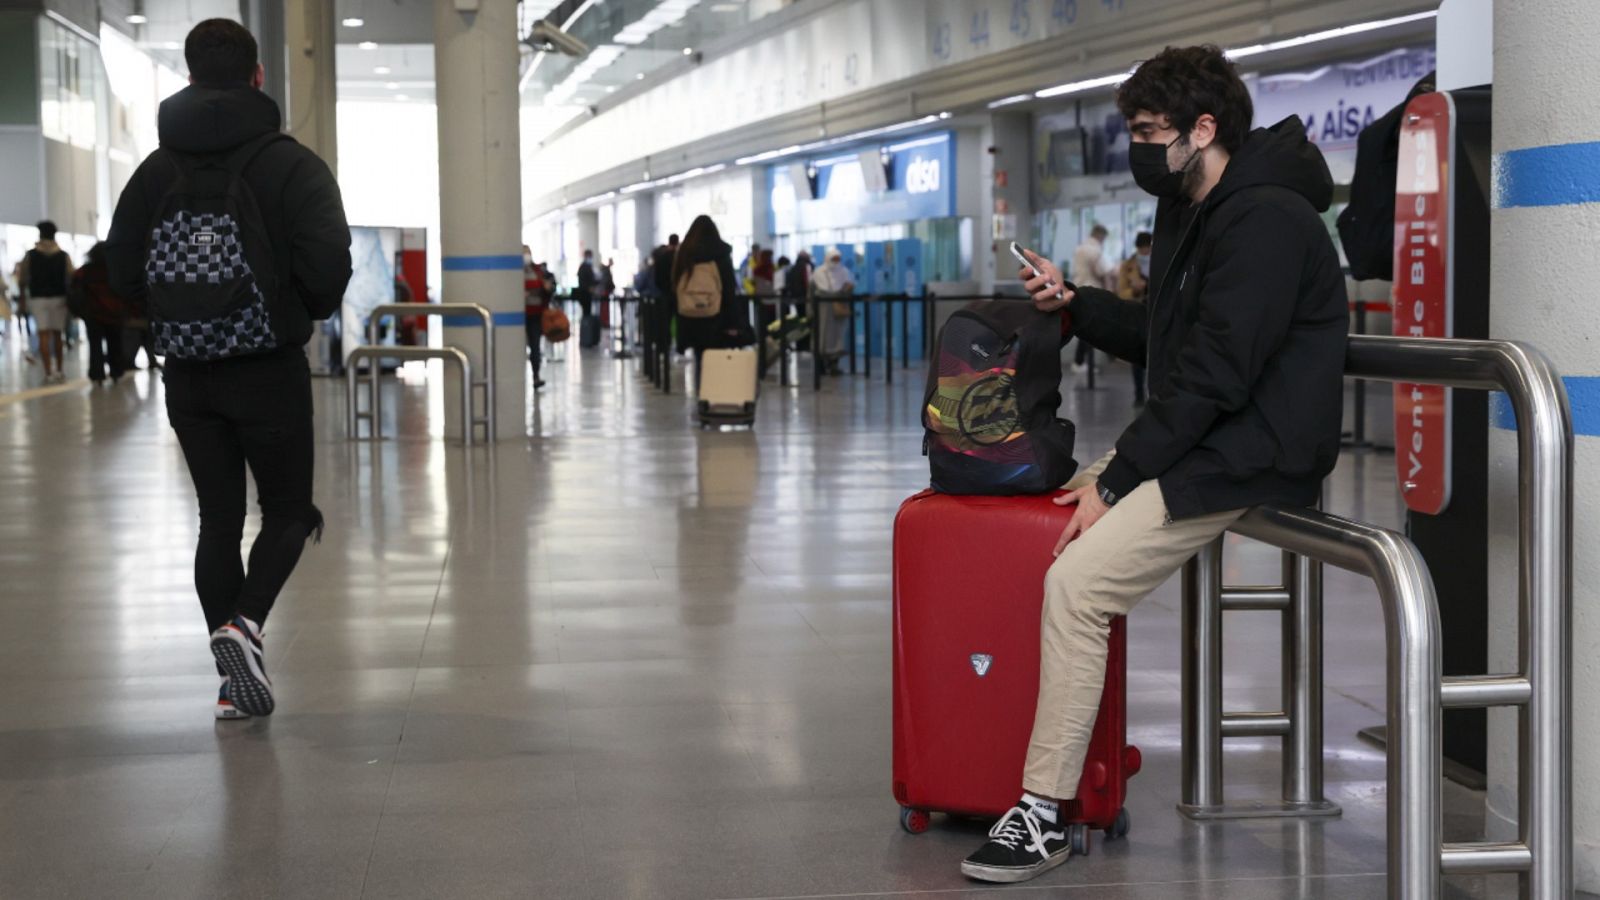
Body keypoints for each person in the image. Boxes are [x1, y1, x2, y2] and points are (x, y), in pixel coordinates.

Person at [963, 44, 1347, 883]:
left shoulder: (1269, 219)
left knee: (1078, 583)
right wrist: (1078, 306)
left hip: (1251, 454)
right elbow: (1166, 341)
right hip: (1205, 440)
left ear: (1203, 129)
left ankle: (1044, 813)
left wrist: (1116, 479)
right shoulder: (1191, 205)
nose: (1137, 146)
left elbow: (1216, 377)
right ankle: (1059, 757)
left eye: (1149, 130)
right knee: (1039, 513)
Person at [105, 18, 352, 721]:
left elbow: (119, 270)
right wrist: (294, 309)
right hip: (268, 363)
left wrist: (170, 313)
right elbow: (328, 262)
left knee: (218, 517)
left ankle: (230, 686)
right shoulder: (291, 163)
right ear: (258, 77)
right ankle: (243, 625)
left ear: (187, 78)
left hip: (187, 369)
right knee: (289, 510)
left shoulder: (155, 171)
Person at [672, 215, 742, 395]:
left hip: (690, 315)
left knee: (699, 355)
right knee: (716, 357)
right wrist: (733, 322)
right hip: (716, 314)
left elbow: (675, 284)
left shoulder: (684, 253)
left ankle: (701, 395)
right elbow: (728, 288)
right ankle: (714, 396)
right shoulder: (720, 254)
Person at [18, 221, 75, 384]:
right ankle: (60, 370)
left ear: (40, 234)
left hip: (37, 298)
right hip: (59, 297)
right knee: (58, 334)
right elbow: (71, 277)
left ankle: (48, 372)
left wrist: (22, 300)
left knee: (43, 334)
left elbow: (22, 279)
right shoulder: (64, 255)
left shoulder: (30, 255)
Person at [69, 242, 130, 383]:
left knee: (94, 345)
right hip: (115, 313)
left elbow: (74, 290)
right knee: (115, 344)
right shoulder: (118, 270)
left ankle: (97, 374)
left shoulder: (84, 271)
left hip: (92, 314)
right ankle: (116, 372)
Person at [1068, 224, 1113, 374]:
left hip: (1079, 289)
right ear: (1100, 236)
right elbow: (1100, 271)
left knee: (1084, 327)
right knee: (1090, 328)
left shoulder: (1080, 248)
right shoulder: (1095, 250)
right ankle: (1079, 362)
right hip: (1092, 293)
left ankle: (1079, 362)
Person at [1115, 231, 1154, 406]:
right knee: (1138, 355)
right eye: (1142, 249)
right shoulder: (1128, 265)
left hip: (1157, 312)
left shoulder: (1162, 260)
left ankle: (1155, 394)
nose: (1145, 252)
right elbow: (1121, 292)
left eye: (1147, 248)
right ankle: (1139, 394)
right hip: (1138, 313)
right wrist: (1135, 290)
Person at [810, 248, 855, 375]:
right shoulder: (819, 272)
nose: (836, 262)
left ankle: (834, 364)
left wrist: (844, 291)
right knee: (822, 335)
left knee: (838, 336)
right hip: (823, 309)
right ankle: (821, 364)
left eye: (837, 259)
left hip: (838, 309)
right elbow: (822, 289)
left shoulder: (844, 271)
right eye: (833, 259)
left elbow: (848, 283)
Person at [523, 246, 548, 389]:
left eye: (528, 253)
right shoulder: (515, 272)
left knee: (535, 346)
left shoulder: (537, 270)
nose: (526, 256)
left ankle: (536, 376)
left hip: (536, 315)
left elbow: (547, 287)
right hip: (521, 317)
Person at [576, 249, 597, 318]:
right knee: (586, 312)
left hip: (587, 294)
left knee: (587, 312)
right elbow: (582, 281)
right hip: (584, 294)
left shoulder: (588, 267)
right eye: (590, 256)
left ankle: (587, 326)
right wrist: (589, 288)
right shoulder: (583, 267)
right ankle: (586, 327)